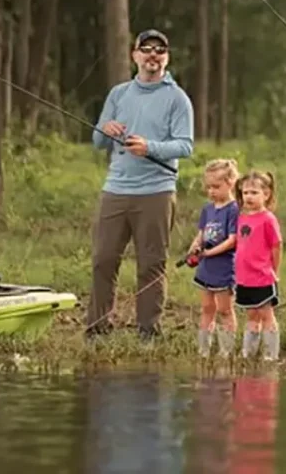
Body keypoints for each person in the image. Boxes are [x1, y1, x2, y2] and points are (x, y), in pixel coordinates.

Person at [86, 29, 195, 340]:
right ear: (134, 55)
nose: (152, 55)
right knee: (103, 260)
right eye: (146, 49)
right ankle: (97, 328)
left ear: (166, 58)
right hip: (115, 191)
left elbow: (185, 146)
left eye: (159, 50)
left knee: (150, 265)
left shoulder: (177, 98)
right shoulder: (119, 94)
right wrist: (105, 128)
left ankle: (148, 331)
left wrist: (150, 147)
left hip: (156, 193)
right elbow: (97, 141)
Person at [187, 158, 240, 358]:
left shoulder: (234, 209)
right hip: (205, 268)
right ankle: (204, 350)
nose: (211, 191)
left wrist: (210, 252)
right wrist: (196, 246)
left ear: (230, 182)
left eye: (216, 187)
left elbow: (232, 240)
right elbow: (202, 232)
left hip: (224, 268)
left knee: (225, 310)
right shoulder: (208, 209)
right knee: (207, 308)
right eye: (208, 187)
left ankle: (226, 350)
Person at [232, 170, 282, 361]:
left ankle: (271, 355)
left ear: (266, 194)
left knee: (266, 314)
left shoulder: (268, 219)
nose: (249, 197)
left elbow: (277, 246)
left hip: (263, 276)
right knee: (251, 314)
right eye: (245, 193)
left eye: (254, 193)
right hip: (244, 277)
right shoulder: (242, 217)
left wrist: (274, 271)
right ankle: (248, 354)